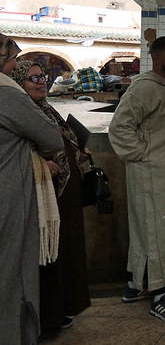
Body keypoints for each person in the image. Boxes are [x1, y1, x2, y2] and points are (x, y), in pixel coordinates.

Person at [109, 36, 165, 323]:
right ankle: (160, 296)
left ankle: (136, 284)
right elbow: (119, 128)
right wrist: (144, 155)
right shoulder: (144, 88)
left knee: (152, 231)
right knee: (158, 232)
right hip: (153, 173)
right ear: (156, 58)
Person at [11, 60, 91, 335]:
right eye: (32, 79)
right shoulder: (21, 112)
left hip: (64, 193)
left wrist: (77, 152)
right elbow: (23, 150)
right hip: (43, 195)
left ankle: (62, 310)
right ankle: (46, 318)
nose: (41, 81)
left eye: (42, 76)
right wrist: (41, 163)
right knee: (47, 254)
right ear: (19, 84)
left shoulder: (46, 109)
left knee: (64, 252)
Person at [0, 34, 64, 344]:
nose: (13, 65)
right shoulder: (7, 95)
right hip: (8, 196)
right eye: (12, 58)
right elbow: (52, 138)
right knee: (11, 279)